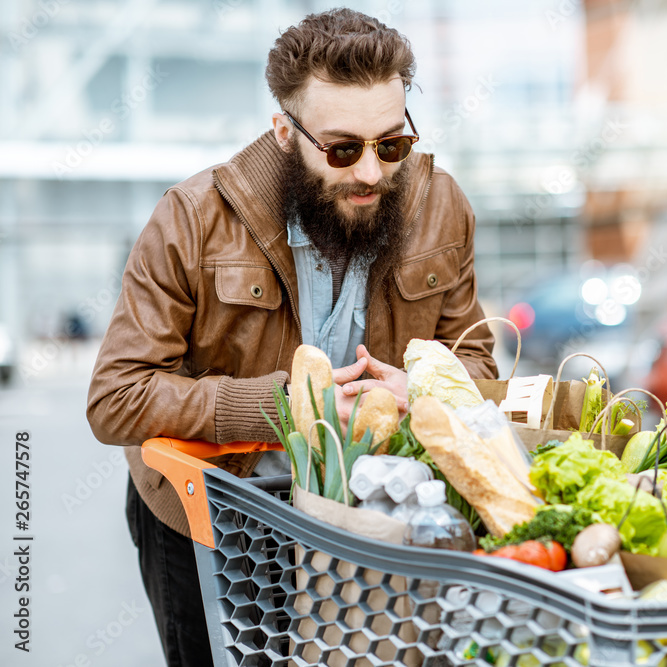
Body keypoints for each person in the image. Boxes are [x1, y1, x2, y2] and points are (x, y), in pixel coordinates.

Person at [86, 8, 497, 666]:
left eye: (392, 145)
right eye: (343, 149)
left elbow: (474, 358)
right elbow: (115, 396)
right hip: (219, 518)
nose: (371, 172)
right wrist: (282, 409)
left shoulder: (442, 207)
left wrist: (422, 388)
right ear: (285, 131)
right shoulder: (191, 219)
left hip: (378, 522)